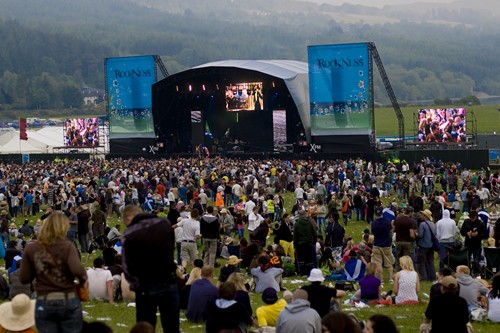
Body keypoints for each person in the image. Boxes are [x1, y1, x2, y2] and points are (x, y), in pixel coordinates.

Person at [19, 212, 87, 333]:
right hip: (67, 298)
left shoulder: (31, 248)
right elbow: (78, 270)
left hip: (44, 299)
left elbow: (24, 278)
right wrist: (82, 280)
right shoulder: (67, 246)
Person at [121, 204, 180, 333]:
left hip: (145, 285)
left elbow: (126, 266)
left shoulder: (129, 234)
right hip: (168, 279)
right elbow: (171, 248)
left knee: (145, 326)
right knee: (172, 326)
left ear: (129, 217)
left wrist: (135, 283)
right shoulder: (164, 223)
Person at [371, 206, 395, 282]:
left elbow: (372, 233)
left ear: (375, 214)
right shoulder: (388, 221)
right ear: (382, 213)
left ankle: (381, 279)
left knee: (378, 263)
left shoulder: (374, 223)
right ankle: (391, 279)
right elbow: (391, 230)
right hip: (387, 244)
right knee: (389, 263)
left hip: (377, 244)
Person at [460, 209, 488, 274]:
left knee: (476, 260)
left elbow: (485, 235)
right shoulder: (466, 221)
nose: (471, 219)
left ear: (476, 216)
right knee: (467, 259)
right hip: (468, 244)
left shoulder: (480, 223)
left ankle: (476, 273)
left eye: (473, 217)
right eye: (470, 217)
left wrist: (477, 235)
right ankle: (468, 272)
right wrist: (466, 233)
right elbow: (462, 231)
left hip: (477, 244)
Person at [294, 210, 317, 276]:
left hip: (300, 244)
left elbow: (295, 236)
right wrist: (314, 242)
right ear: (305, 215)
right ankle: (309, 272)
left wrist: (295, 244)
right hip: (309, 244)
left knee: (301, 259)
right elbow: (314, 234)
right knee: (309, 259)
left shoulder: (297, 224)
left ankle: (302, 272)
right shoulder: (309, 223)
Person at [416, 210, 436, 281]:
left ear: (425, 216)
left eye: (422, 215)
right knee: (430, 262)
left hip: (423, 245)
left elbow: (420, 235)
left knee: (422, 262)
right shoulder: (432, 224)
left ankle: (424, 277)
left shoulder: (422, 224)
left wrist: (416, 234)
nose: (421, 216)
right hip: (431, 245)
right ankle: (432, 277)